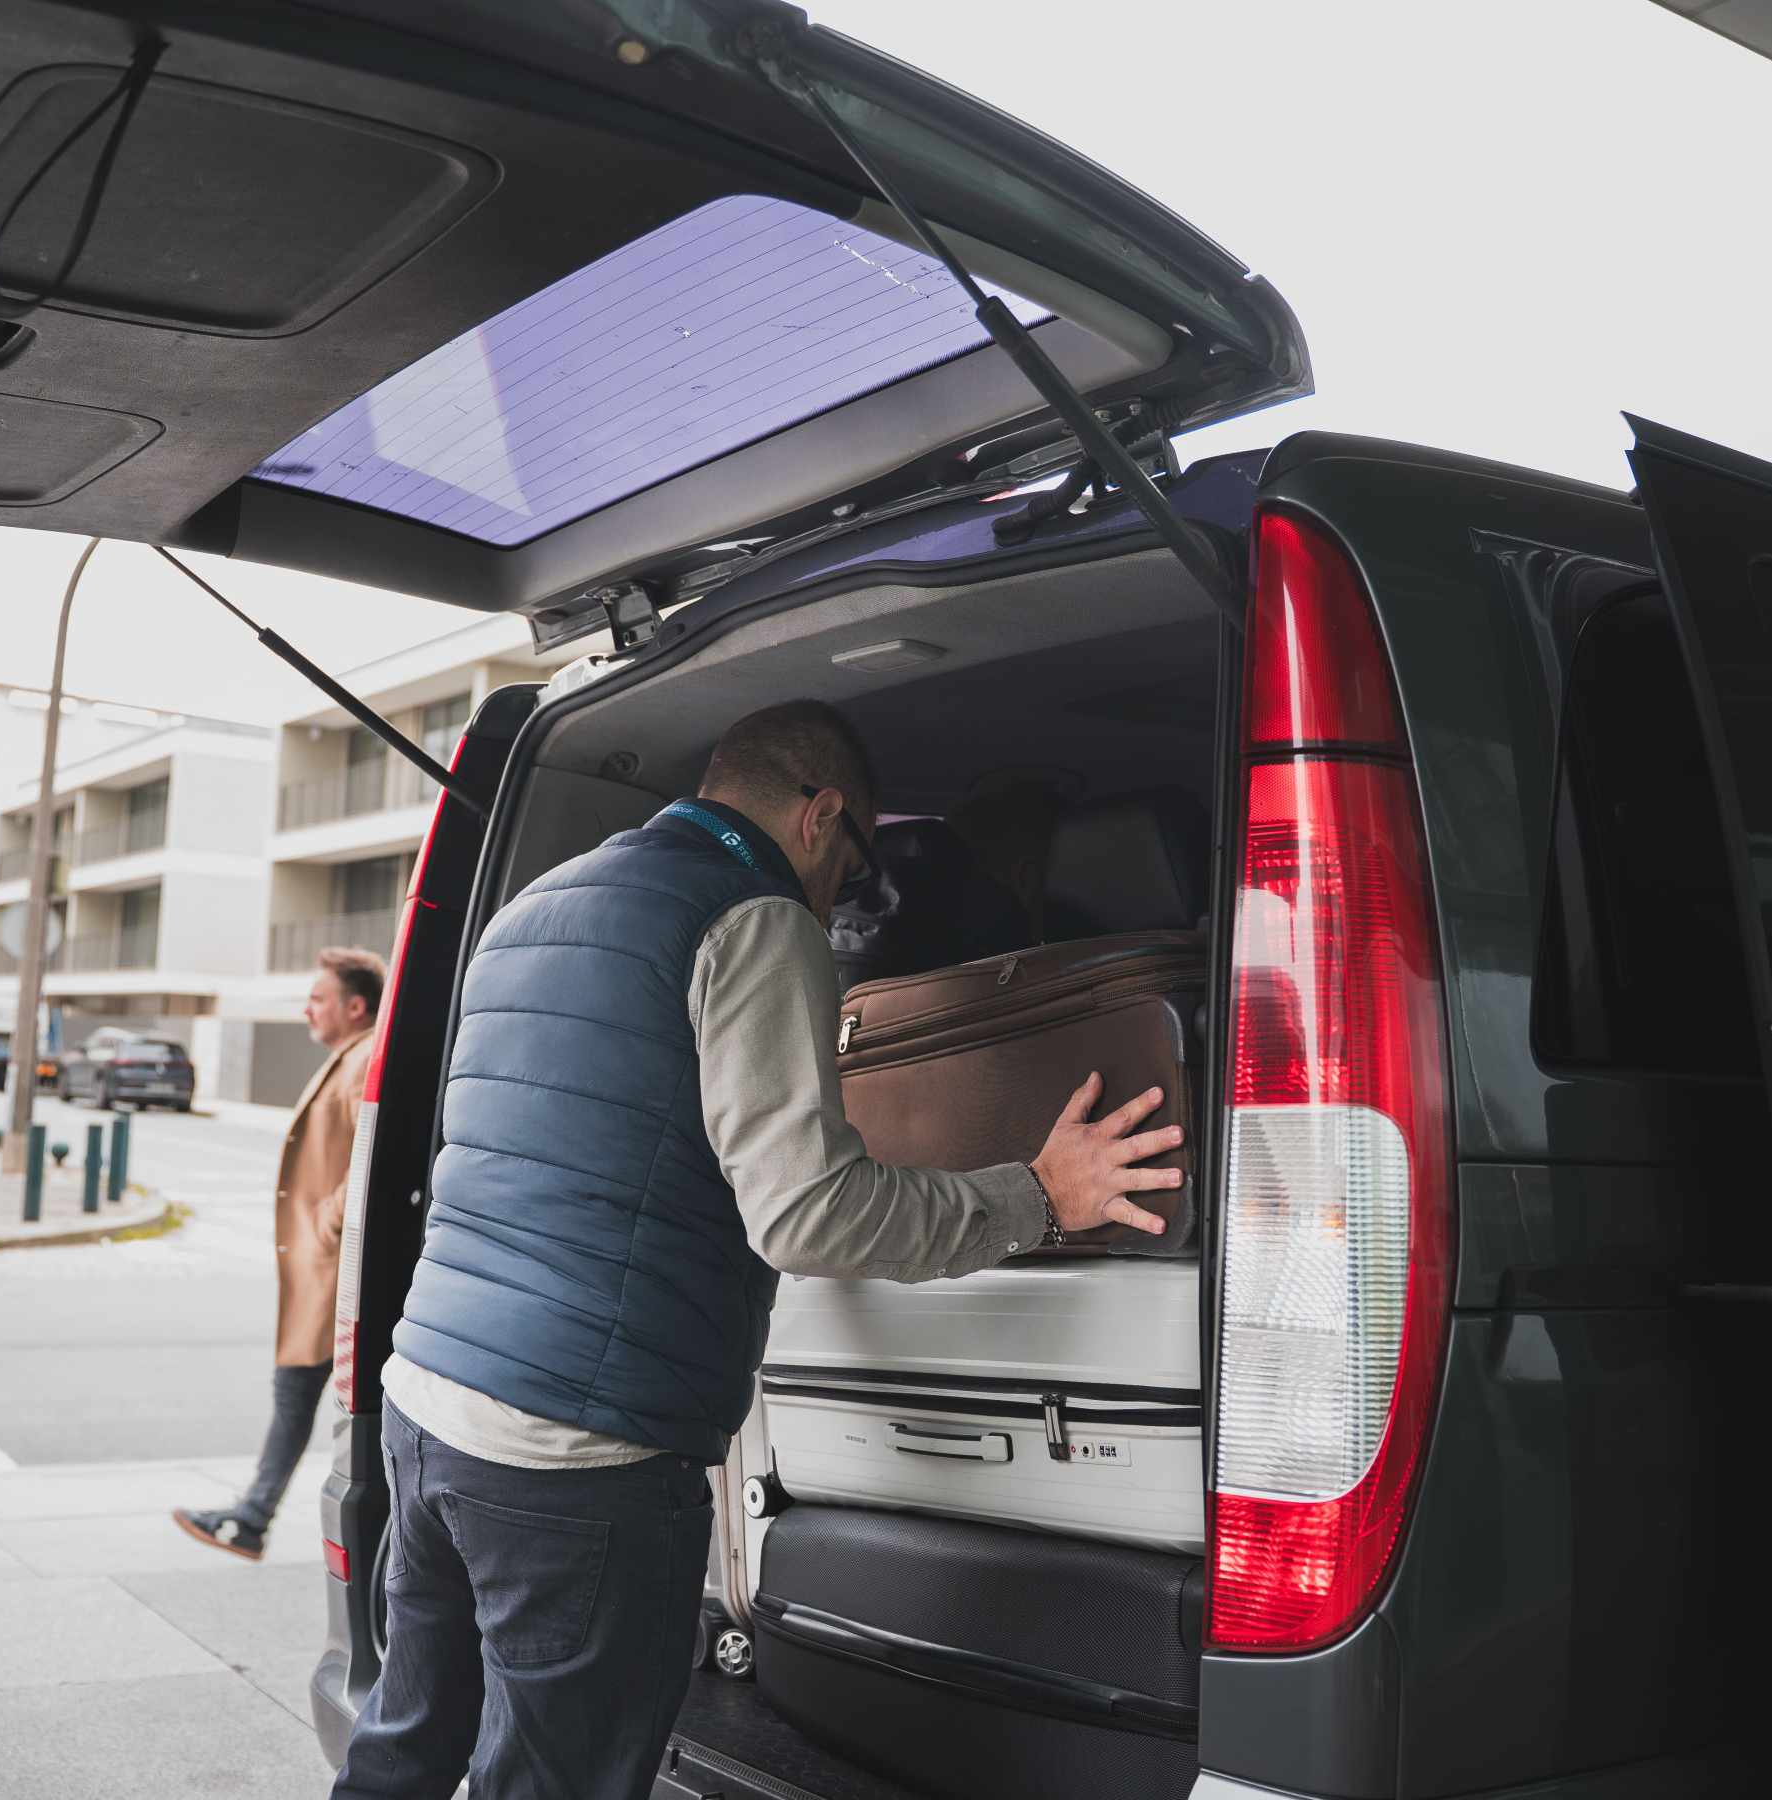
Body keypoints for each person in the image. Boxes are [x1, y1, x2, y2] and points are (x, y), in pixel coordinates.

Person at [332, 701, 1181, 1799]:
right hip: (573, 1457)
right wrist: (1039, 1194)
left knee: (402, 1748)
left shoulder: (533, 903)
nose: (847, 899)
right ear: (823, 814)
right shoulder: (755, 919)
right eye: (859, 865)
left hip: (428, 1401)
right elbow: (810, 1216)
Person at [174, 946, 384, 1561]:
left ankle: (255, 1518)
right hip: (326, 1274)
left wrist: (326, 1221)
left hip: (336, 1274)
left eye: (318, 998)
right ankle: (253, 1516)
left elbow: (370, 1158)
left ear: (355, 1005)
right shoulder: (352, 1056)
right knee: (299, 1399)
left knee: (311, 1401)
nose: (307, 1010)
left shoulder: (365, 1058)